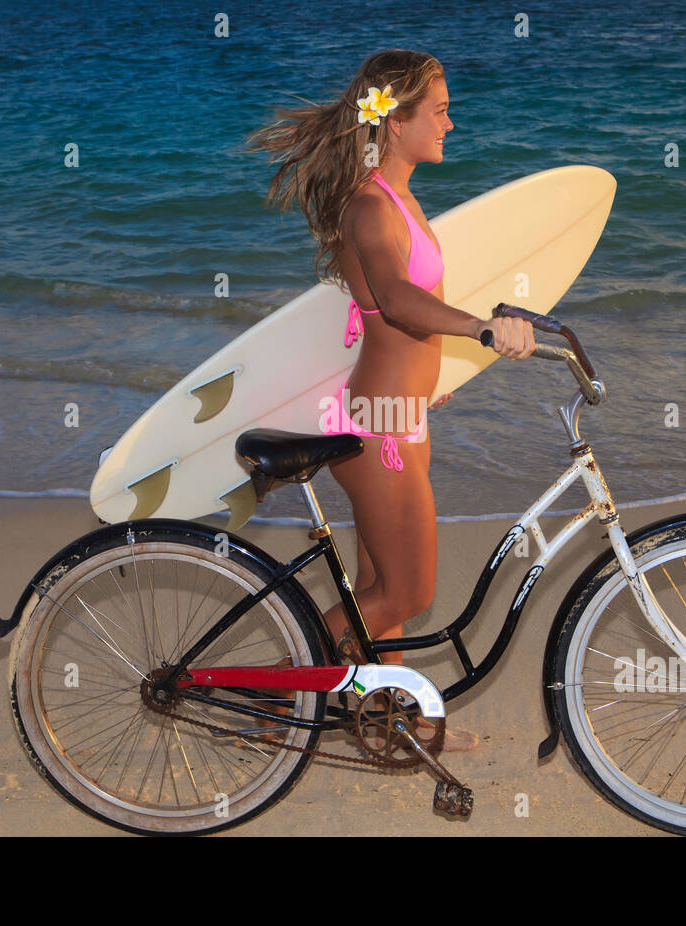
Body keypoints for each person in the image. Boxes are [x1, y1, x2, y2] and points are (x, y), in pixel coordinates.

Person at [247, 50, 534, 749]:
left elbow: (397, 313)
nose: (451, 123)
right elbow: (401, 300)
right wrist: (482, 329)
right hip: (380, 431)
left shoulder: (397, 197)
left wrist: (431, 381)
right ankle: (271, 697)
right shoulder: (373, 207)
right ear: (397, 119)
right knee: (402, 594)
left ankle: (397, 723)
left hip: (394, 420)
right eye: (438, 111)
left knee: (381, 595)